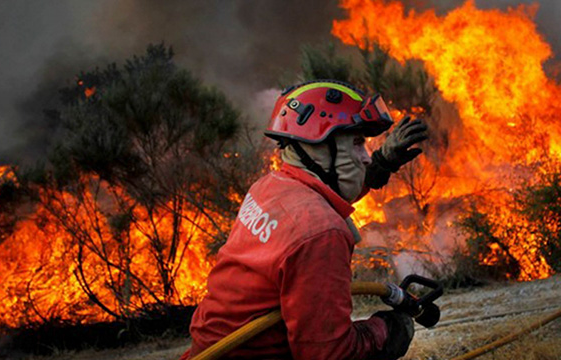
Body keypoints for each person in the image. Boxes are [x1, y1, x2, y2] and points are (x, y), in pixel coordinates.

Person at [181, 80, 429, 360]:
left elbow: (323, 194)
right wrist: (384, 331)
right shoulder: (321, 234)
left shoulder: (271, 186)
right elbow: (330, 355)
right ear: (317, 148)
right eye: (357, 143)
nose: (365, 157)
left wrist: (382, 163)